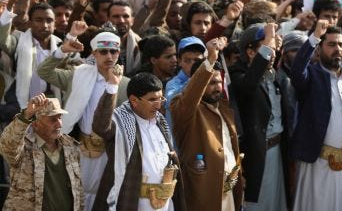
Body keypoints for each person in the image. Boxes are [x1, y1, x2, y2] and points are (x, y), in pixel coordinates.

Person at [37, 27, 130, 211]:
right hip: (79, 145)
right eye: (103, 51)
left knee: (105, 195)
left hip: (111, 149)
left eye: (113, 51)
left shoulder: (126, 85)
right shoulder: (78, 76)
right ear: (94, 53)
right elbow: (44, 72)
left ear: (119, 53)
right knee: (76, 193)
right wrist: (63, 50)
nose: (109, 56)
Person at [290, 20, 342, 211]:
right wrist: (314, 37)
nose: (337, 49)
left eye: (341, 44)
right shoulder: (311, 75)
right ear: (318, 49)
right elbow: (296, 73)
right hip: (318, 163)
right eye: (331, 44)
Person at [92, 71, 185, 211]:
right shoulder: (121, 123)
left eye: (160, 99)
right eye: (152, 99)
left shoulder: (160, 122)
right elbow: (100, 126)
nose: (158, 105)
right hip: (132, 203)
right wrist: (112, 87)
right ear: (134, 100)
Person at [171, 36, 243, 211]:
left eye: (218, 82)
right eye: (209, 83)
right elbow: (192, 94)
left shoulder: (224, 109)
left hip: (229, 193)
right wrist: (210, 60)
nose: (216, 87)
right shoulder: (185, 108)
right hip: (202, 194)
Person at [230, 23, 290, 211]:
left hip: (278, 149)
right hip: (257, 154)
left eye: (274, 49)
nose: (273, 53)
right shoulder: (237, 74)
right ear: (250, 52)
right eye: (266, 49)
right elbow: (249, 85)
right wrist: (268, 43)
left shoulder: (275, 75)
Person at [0, 94, 83, 211]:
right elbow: (7, 145)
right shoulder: (23, 148)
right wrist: (26, 115)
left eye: (60, 118)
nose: (59, 124)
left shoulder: (70, 146)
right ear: (35, 123)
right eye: (53, 119)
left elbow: (78, 191)